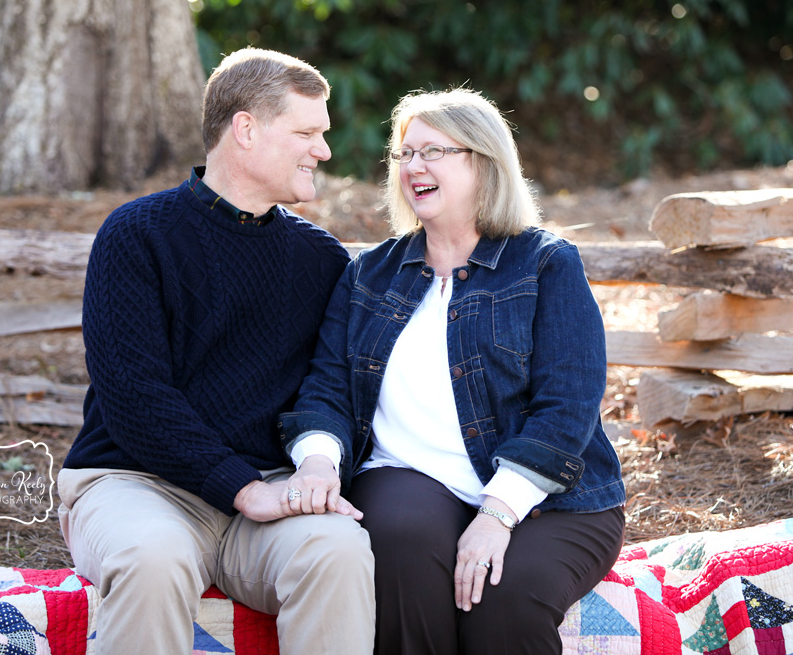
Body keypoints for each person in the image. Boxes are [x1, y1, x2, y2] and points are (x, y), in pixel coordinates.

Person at [279, 88, 626, 655]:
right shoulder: (369, 274)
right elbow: (326, 388)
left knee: (504, 596)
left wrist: (496, 515)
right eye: (405, 154)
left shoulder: (545, 263)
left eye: (434, 151)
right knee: (400, 546)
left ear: (483, 162)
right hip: (411, 476)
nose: (414, 167)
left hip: (548, 498)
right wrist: (317, 460)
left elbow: (567, 408)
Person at [56, 48, 375, 655]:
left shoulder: (320, 259)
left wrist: (313, 469)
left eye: (323, 134)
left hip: (266, 496)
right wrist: (239, 486)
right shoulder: (138, 235)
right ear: (246, 129)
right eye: (306, 132)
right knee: (153, 559)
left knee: (337, 552)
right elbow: (134, 394)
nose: (324, 150)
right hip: (138, 483)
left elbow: (332, 388)